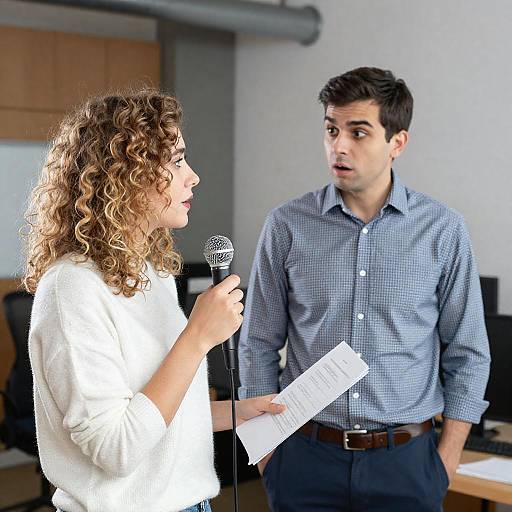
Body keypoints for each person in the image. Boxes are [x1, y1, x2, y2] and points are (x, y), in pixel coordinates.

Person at [238, 67, 491, 512]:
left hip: (407, 464)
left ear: (397, 143)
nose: (340, 145)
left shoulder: (443, 230)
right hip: (303, 459)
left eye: (359, 132)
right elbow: (257, 342)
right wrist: (266, 453)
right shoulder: (287, 226)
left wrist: (446, 460)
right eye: (332, 130)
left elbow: (468, 352)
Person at [24, 91, 284, 512]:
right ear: (125, 173)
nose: (193, 176)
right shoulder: (71, 289)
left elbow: (159, 413)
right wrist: (196, 338)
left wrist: (239, 412)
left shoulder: (151, 272)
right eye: (177, 160)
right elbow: (116, 448)